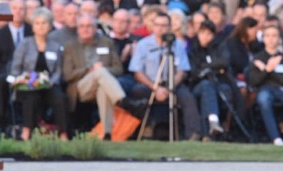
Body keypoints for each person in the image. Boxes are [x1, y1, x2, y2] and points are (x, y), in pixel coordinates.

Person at [128, 11, 201, 141]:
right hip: (149, 84)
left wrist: (169, 87)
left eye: (164, 25)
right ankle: (139, 131)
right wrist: (155, 88)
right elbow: (137, 72)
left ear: (169, 27)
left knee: (187, 97)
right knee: (135, 92)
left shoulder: (178, 44)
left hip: (172, 83)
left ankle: (193, 134)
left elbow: (182, 70)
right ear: (153, 26)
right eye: (158, 25)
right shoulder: (143, 44)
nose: (161, 28)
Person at [62, 14, 135, 140]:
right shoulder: (70, 46)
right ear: (78, 29)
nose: (85, 29)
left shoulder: (107, 43)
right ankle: (120, 98)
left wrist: (102, 71)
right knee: (99, 72)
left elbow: (118, 69)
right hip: (81, 87)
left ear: (96, 28)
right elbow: (68, 75)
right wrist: (89, 70)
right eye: (82, 26)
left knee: (103, 87)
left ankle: (107, 134)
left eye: (89, 26)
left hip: (104, 84)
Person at [10, 8, 68, 141]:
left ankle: (64, 133)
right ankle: (26, 131)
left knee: (60, 99)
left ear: (50, 25)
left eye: (44, 23)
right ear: (33, 26)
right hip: (28, 85)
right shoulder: (25, 44)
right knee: (31, 98)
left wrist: (51, 82)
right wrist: (24, 80)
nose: (41, 26)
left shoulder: (55, 46)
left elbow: (58, 71)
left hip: (48, 84)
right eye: (37, 23)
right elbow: (16, 68)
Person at [0, 0, 33, 134]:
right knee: (0, 82)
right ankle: (1, 124)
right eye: (14, 8)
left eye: (21, 9)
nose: (18, 12)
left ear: (26, 12)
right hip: (4, 74)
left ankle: (28, 126)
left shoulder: (32, 32)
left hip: (28, 74)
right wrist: (12, 75)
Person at [187, 19, 232, 139]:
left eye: (208, 34)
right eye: (202, 33)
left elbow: (224, 62)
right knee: (206, 86)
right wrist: (213, 68)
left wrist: (206, 67)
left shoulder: (219, 47)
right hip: (197, 86)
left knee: (224, 90)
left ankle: (211, 132)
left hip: (218, 83)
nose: (205, 37)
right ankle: (213, 121)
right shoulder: (193, 51)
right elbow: (193, 72)